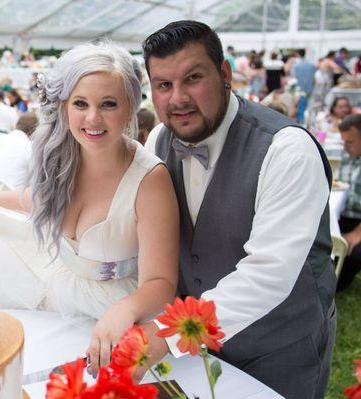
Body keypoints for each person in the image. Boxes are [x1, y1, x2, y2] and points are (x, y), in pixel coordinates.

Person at [139, 20, 336, 399]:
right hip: (196, 350)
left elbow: (268, 275)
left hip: (279, 345)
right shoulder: (160, 139)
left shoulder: (287, 150)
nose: (178, 98)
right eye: (164, 85)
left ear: (225, 74)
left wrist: (173, 333)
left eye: (193, 78)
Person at [0, 41, 179, 373]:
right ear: (64, 106)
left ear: (130, 108)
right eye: (80, 103)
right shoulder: (63, 158)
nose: (92, 118)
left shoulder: (150, 180)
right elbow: (38, 200)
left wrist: (125, 310)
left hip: (116, 317)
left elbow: (161, 282)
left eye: (108, 104)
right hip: (60, 298)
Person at [335, 114, 361, 291]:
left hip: (358, 221)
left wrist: (356, 234)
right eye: (343, 142)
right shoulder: (348, 157)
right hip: (345, 214)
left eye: (350, 142)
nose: (345, 147)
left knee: (355, 253)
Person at [0, 112, 37, 190]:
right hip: (8, 197)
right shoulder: (29, 147)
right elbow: (34, 183)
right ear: (35, 133)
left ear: (16, 125)